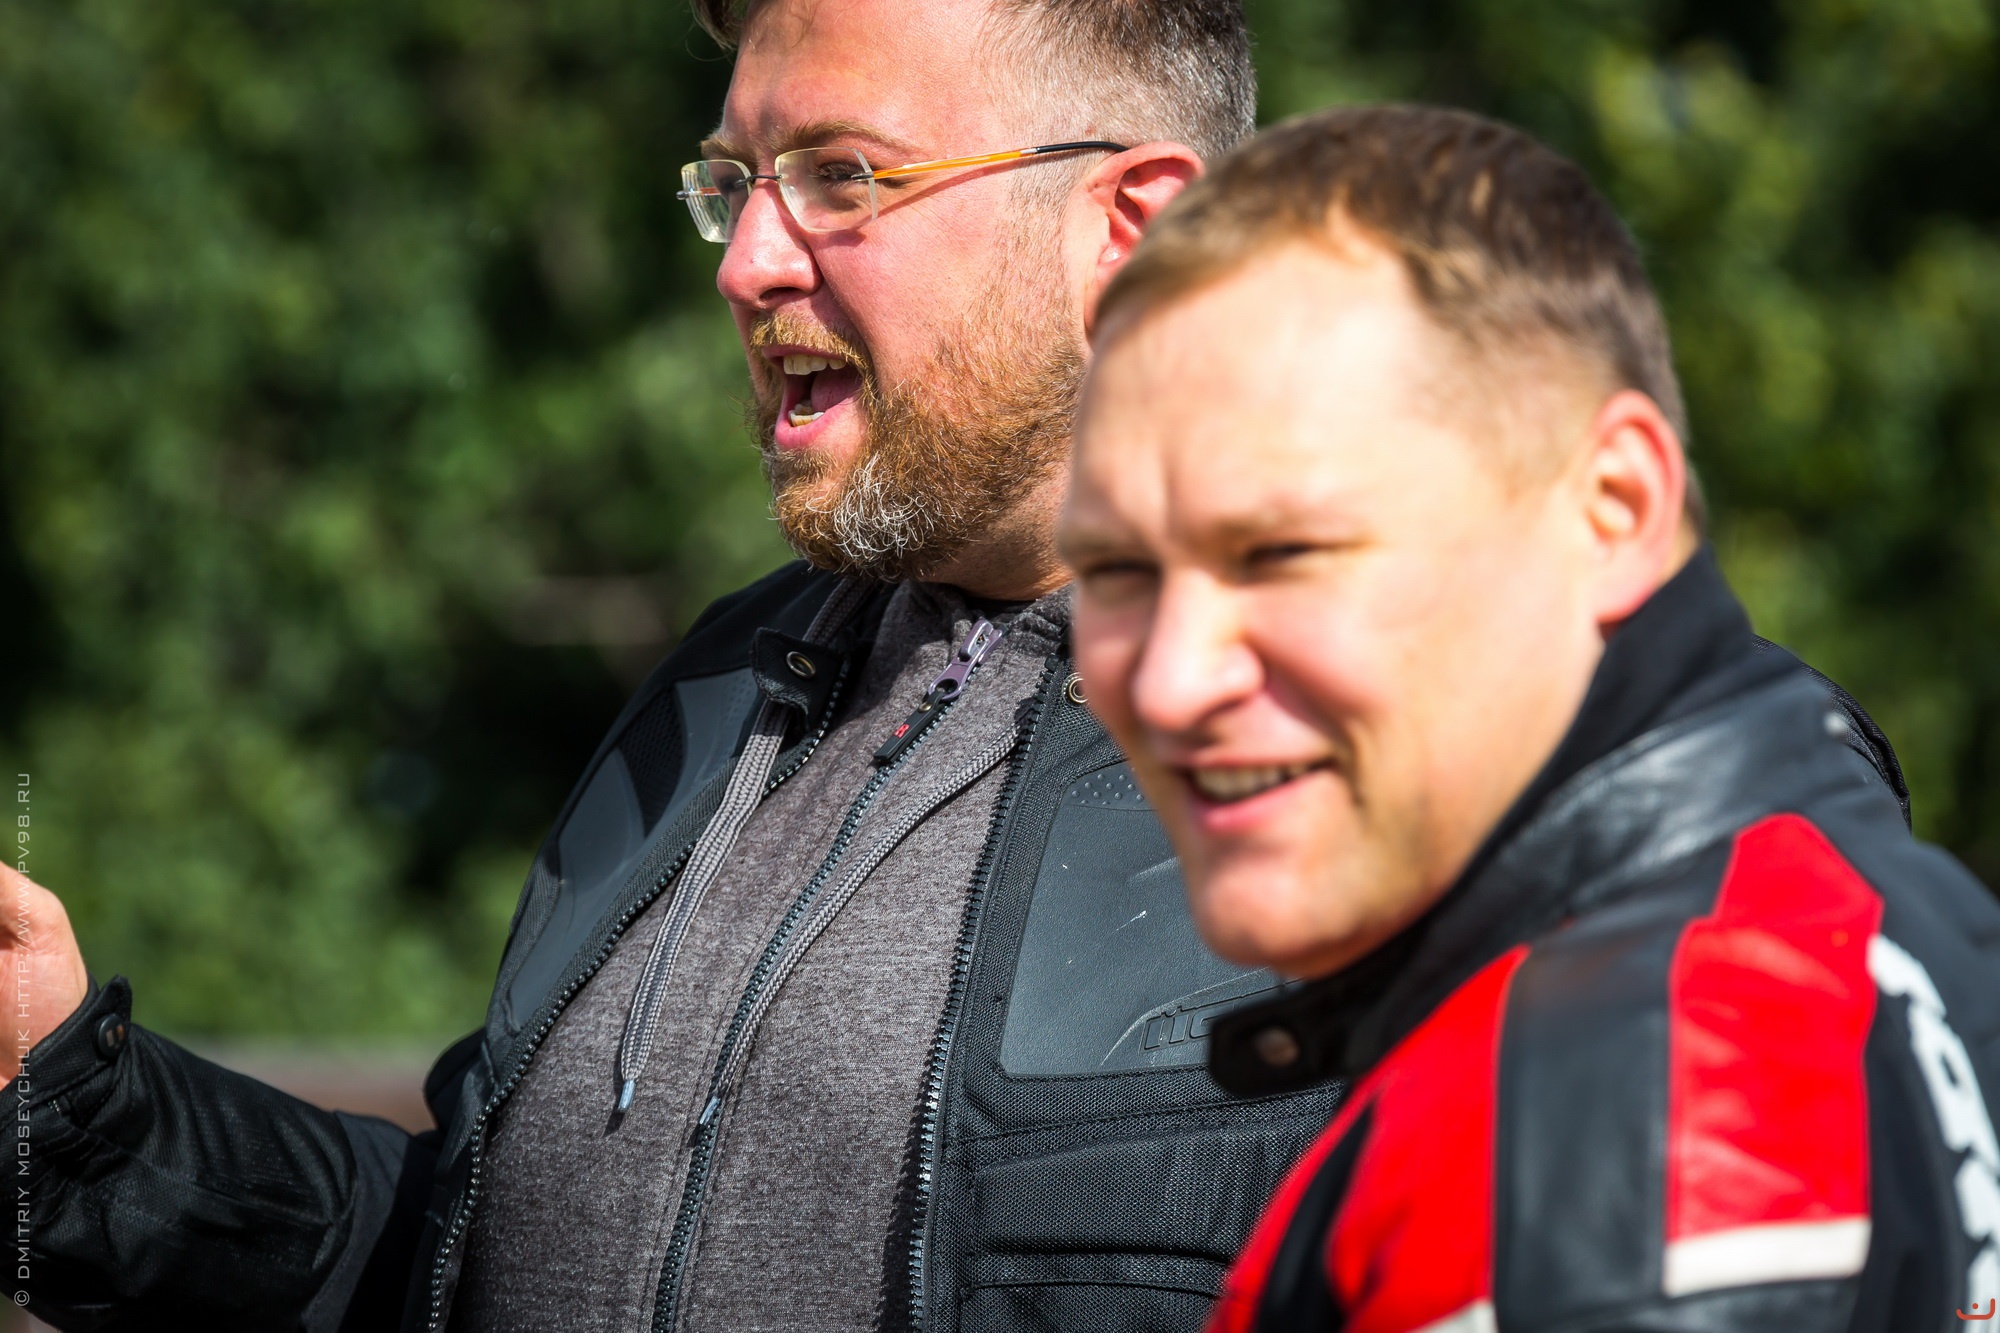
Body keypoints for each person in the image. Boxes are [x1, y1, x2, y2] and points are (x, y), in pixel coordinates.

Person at [7, 2, 1356, 1330]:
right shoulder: (727, 684)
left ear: (1131, 230)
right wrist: (68, 1113)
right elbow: (466, 1259)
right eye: (736, 183)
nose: (746, 264)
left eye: (843, 176)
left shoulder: (1381, 774)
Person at [1062, 102, 2000, 1332]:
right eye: (1115, 570)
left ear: (1611, 509)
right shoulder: (1855, 908)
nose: (1168, 679)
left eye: (1282, 552)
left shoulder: (1637, 1075)